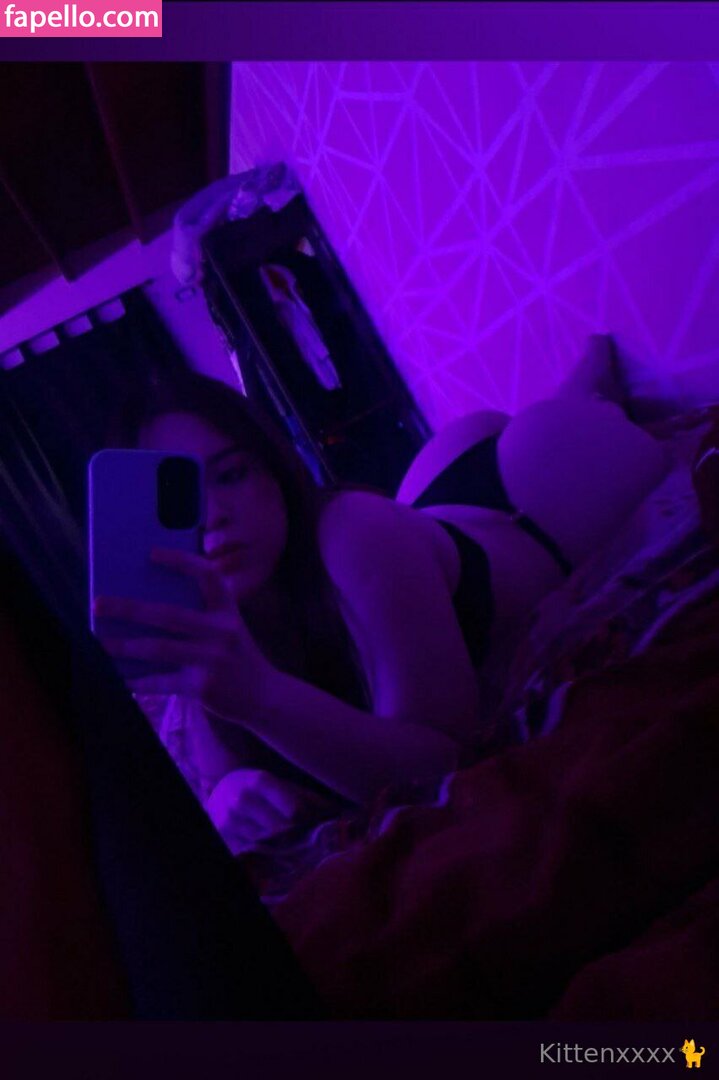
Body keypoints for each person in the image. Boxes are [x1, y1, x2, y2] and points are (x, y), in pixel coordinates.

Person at [95, 335, 668, 852]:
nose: (213, 516)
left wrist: (259, 696)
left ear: (272, 467)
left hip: (536, 502)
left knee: (584, 411)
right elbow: (224, 769)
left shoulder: (353, 531)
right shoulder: (202, 610)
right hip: (433, 493)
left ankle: (587, 393)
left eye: (230, 475)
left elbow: (443, 768)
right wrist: (228, 793)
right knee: (468, 441)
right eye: (179, 499)